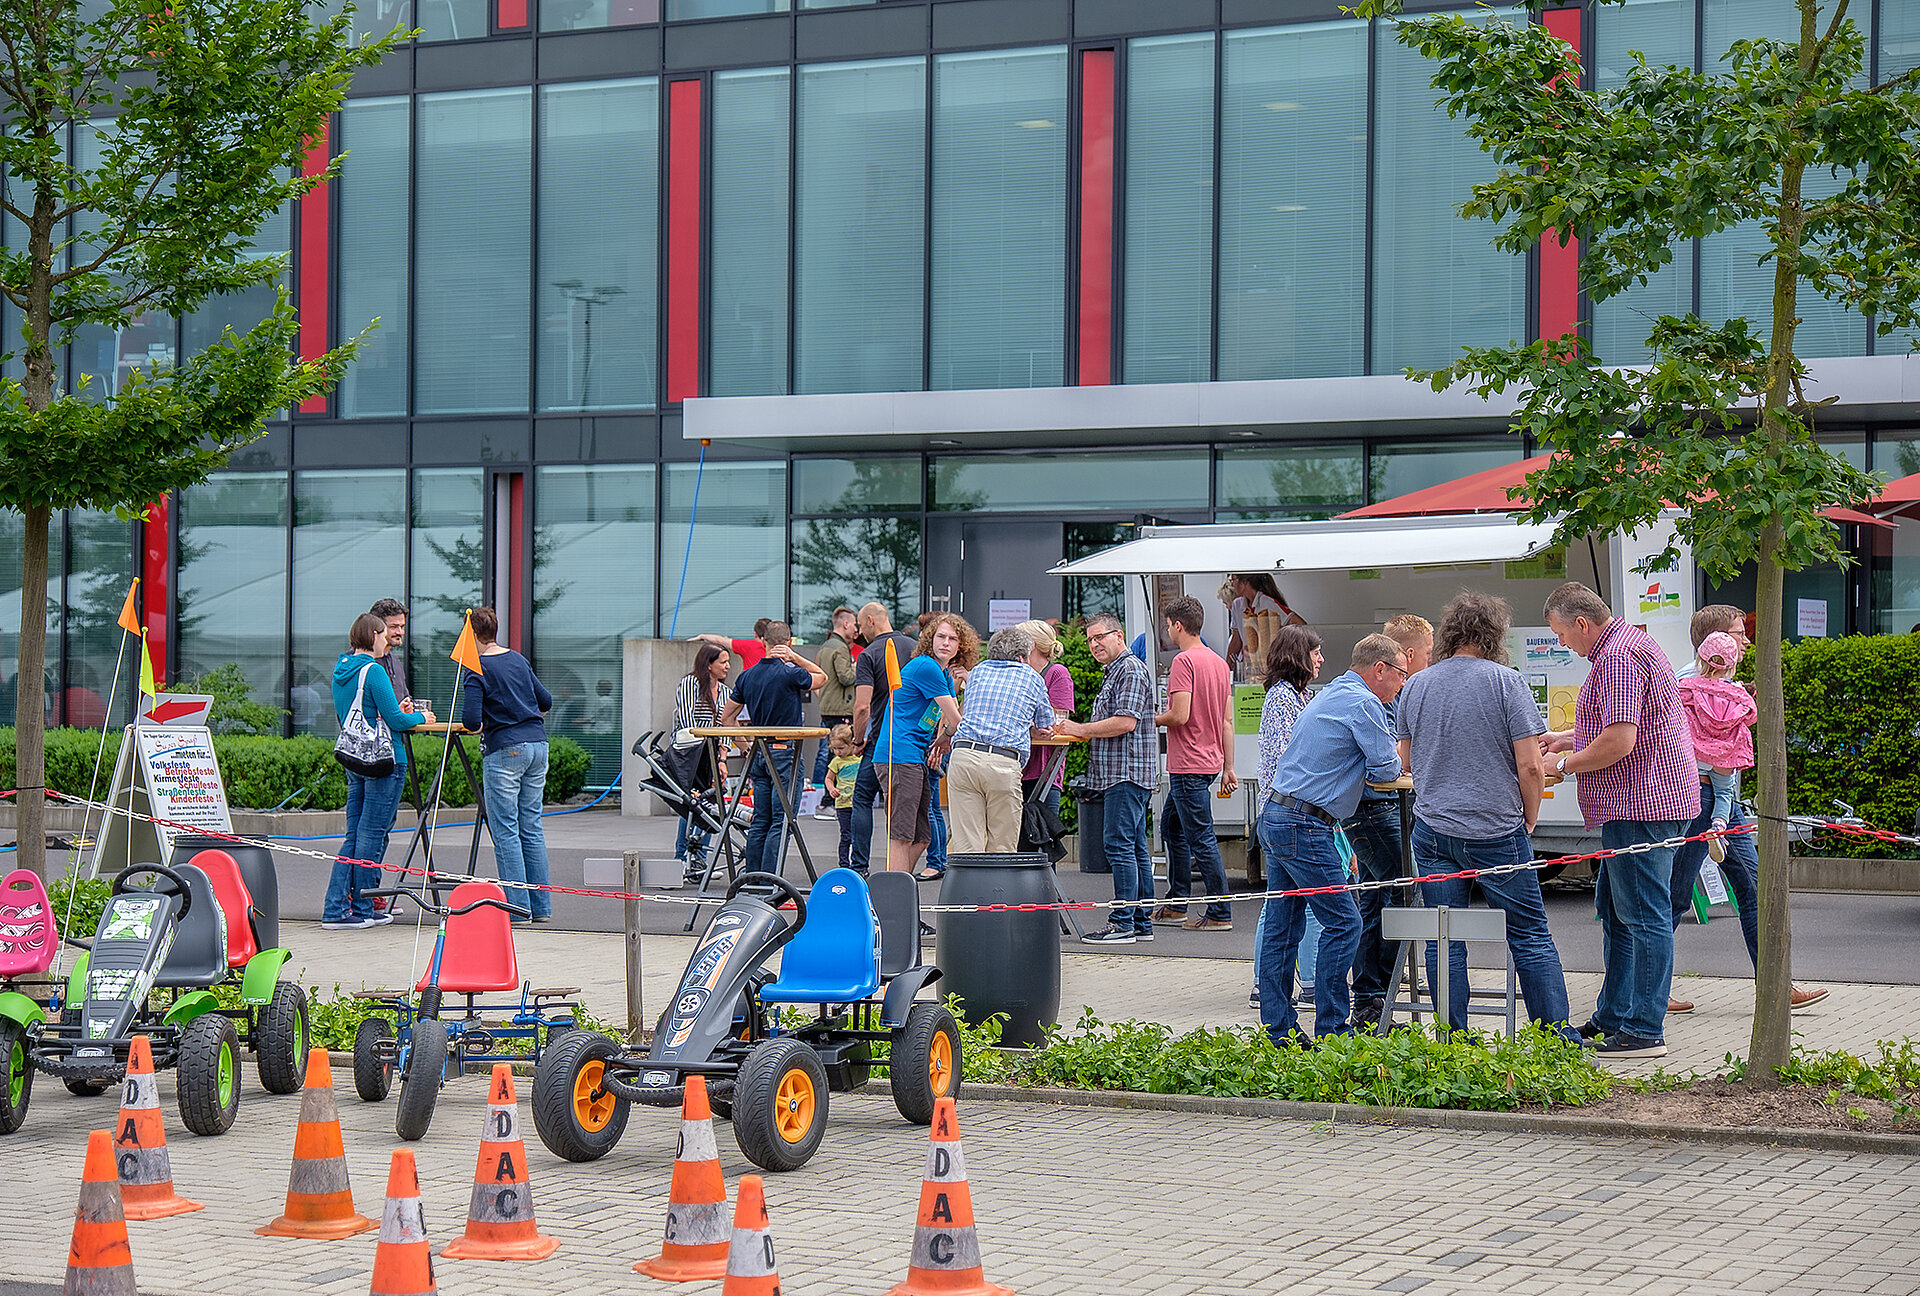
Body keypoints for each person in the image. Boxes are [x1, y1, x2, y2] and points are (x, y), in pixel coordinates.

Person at [1396, 591, 1577, 1039]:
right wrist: (1529, 818)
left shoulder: (1416, 685)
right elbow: (1531, 765)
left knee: (1445, 938)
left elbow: (1406, 760)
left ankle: (1453, 1039)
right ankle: (1556, 1040)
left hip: (1434, 829)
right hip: (1497, 829)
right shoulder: (1506, 682)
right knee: (1529, 935)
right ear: (1493, 635)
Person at [1541, 582, 1697, 1059]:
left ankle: (1643, 1029)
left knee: (1643, 917)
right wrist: (1568, 737)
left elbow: (1620, 741)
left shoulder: (1616, 659)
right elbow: (1629, 725)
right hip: (1646, 802)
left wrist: (1562, 764)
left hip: (1640, 804)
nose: (1563, 644)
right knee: (1615, 912)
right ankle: (1613, 1017)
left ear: (1581, 623)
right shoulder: (1629, 643)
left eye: (1562, 634)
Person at [1668, 608, 1829, 1012]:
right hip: (1702, 798)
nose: (1746, 641)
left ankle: (1776, 986)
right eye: (1739, 633)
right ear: (1716, 640)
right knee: (1674, 895)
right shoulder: (1692, 682)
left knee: (1753, 889)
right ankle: (1649, 992)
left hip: (1721, 799)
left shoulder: (1717, 682)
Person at [1255, 634, 1407, 1044]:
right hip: (1305, 824)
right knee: (1345, 923)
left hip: (1277, 814)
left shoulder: (1333, 692)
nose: (1402, 684)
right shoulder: (1364, 703)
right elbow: (1386, 768)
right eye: (1401, 674)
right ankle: (1332, 1030)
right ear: (1380, 669)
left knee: (1282, 930)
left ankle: (1279, 1030)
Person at [325, 613, 433, 930]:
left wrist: (395, 712)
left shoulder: (341, 669)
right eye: (384, 634)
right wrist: (422, 718)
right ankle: (361, 906)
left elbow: (363, 712)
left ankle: (335, 907)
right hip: (385, 759)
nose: (387, 639)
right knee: (371, 835)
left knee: (354, 835)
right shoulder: (373, 671)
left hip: (355, 758)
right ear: (373, 635)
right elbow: (397, 721)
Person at [1061, 613, 1158, 944]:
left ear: (1119, 636)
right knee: (1134, 846)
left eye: (1099, 637)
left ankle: (1122, 923)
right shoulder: (1117, 670)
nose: (1094, 644)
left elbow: (1125, 722)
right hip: (1124, 773)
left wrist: (1081, 729)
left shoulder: (1129, 669)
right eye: (1090, 639)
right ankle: (1140, 922)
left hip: (1126, 773)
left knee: (1119, 845)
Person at [459, 607, 556, 922]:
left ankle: (518, 909)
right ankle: (541, 907)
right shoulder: (517, 659)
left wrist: (486, 721)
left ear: (472, 634)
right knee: (531, 826)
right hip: (538, 745)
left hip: (504, 750)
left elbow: (470, 720)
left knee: (505, 831)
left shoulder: (477, 669)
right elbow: (545, 700)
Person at [1150, 596, 1238, 931]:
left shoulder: (1183, 662)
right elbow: (1227, 721)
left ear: (1177, 625)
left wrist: (1149, 719)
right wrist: (1229, 767)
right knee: (1172, 828)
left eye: (1168, 625)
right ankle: (1177, 903)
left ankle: (1219, 912)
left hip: (1187, 762)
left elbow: (1179, 715)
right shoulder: (1219, 663)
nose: (1168, 630)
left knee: (1200, 837)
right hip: (1210, 761)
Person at [1249, 624, 1323, 1010]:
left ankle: (1278, 984)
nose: (1321, 659)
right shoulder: (1281, 698)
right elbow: (1286, 759)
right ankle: (1283, 983)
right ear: (1298, 656)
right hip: (1288, 813)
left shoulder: (1300, 696)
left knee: (1284, 904)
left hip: (1285, 813)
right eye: (1315, 652)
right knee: (1291, 905)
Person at [720, 622, 827, 874]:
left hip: (759, 752)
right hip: (785, 752)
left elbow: (727, 718)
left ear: (762, 642)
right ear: (788, 642)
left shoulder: (747, 676)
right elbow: (822, 677)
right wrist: (795, 657)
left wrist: (746, 747)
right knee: (782, 820)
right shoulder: (790, 673)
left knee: (761, 819)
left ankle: (752, 879)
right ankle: (770, 880)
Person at [869, 614, 970, 874]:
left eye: (952, 639)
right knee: (902, 836)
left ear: (961, 646)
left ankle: (899, 885)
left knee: (921, 837)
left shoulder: (942, 673)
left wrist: (942, 740)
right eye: (941, 636)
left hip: (914, 756)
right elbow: (956, 720)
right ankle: (894, 893)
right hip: (899, 755)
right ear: (929, 639)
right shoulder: (926, 666)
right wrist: (945, 738)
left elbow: (951, 718)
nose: (946, 643)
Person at [948, 625, 1057, 855]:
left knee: (967, 844)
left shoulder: (977, 672)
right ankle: (997, 880)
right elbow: (1046, 722)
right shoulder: (1031, 677)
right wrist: (1031, 729)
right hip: (1002, 762)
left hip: (963, 756)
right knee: (1002, 845)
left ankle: (969, 879)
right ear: (1022, 657)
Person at [847, 603, 921, 874]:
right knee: (917, 806)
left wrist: (858, 739)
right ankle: (925, 864)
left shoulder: (869, 654)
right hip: (914, 738)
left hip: (881, 737)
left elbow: (862, 706)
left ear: (870, 620)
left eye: (860, 625)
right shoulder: (915, 649)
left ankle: (859, 867)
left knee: (862, 797)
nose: (858, 631)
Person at [671, 642, 733, 884]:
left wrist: (722, 758)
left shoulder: (725, 691)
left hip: (712, 755)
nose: (727, 666)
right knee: (691, 804)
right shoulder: (690, 684)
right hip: (690, 753)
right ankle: (681, 859)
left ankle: (699, 861)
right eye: (723, 662)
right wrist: (706, 752)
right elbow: (688, 723)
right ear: (709, 664)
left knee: (710, 804)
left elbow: (726, 726)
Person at [1016, 619, 1076, 861]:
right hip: (1016, 766)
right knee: (1017, 841)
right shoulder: (1017, 673)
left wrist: (1027, 725)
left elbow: (1058, 721)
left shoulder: (1057, 673)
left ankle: (1046, 885)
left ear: (1031, 645)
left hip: (1044, 769)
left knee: (1043, 840)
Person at [810, 606, 860, 814]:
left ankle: (826, 800)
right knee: (838, 755)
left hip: (828, 707)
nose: (856, 629)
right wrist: (858, 667)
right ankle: (828, 802)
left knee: (829, 753)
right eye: (855, 624)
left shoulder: (825, 647)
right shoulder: (840, 648)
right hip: (840, 709)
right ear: (845, 624)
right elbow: (846, 677)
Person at [1224, 573, 1304, 678]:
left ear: (1244, 582)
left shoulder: (1267, 602)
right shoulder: (1237, 604)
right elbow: (1236, 640)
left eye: (1233, 580)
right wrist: (1226, 670)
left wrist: (1281, 645)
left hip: (1270, 665)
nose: (1232, 584)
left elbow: (1300, 624)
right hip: (1249, 666)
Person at [824, 723, 860, 869]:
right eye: (834, 749)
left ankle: (857, 862)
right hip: (843, 804)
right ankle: (844, 864)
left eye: (841, 748)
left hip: (857, 803)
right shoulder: (836, 762)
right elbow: (828, 778)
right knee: (846, 835)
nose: (837, 752)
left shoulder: (859, 758)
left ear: (851, 744)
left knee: (858, 835)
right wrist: (831, 789)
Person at [370, 598, 412, 713]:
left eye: (402, 627)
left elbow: (404, 699)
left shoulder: (395, 661)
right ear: (376, 628)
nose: (399, 632)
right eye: (393, 627)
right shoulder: (359, 661)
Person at [694, 619, 770, 672]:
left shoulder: (749, 646)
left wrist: (702, 636)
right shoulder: (774, 647)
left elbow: (720, 640)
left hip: (750, 684)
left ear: (755, 634)